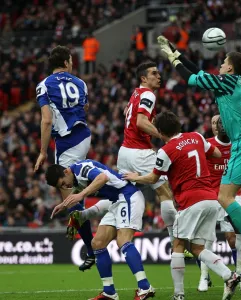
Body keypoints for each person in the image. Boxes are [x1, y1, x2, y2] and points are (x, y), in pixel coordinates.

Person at [157, 36, 241, 272]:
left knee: (224, 197)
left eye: (224, 62)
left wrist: (173, 62)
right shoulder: (232, 82)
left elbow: (194, 79)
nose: (221, 65)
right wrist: (178, 54)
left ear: (231, 67)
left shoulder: (227, 81)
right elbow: (201, 72)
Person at [124, 111, 241, 300]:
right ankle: (230, 276)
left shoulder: (165, 151)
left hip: (191, 200)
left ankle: (178, 295)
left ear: (160, 131)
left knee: (177, 245)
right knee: (198, 248)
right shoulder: (197, 137)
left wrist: (135, 177)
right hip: (211, 199)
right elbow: (218, 154)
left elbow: (154, 178)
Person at [34, 45, 110, 271]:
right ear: (66, 62)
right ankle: (82, 216)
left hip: (67, 141)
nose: (73, 63)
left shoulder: (44, 85)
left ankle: (91, 247)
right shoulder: (81, 82)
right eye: (71, 60)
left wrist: (42, 151)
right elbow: (83, 106)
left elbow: (46, 120)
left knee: (70, 197)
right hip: (83, 135)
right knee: (74, 192)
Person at [47, 160, 155, 300]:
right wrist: (64, 203)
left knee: (123, 241)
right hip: (115, 201)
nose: (65, 186)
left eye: (63, 183)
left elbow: (102, 177)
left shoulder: (82, 168)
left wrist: (80, 196)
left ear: (66, 172)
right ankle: (109, 292)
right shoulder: (75, 178)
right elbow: (80, 189)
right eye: (61, 187)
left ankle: (145, 287)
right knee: (97, 243)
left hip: (128, 196)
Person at [117, 61, 192, 259]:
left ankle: (118, 238)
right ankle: (176, 241)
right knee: (165, 191)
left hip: (124, 151)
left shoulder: (135, 94)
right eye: (154, 73)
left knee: (126, 195)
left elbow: (130, 118)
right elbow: (141, 122)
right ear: (144, 78)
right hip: (138, 153)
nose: (159, 77)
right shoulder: (148, 94)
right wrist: (163, 136)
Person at [197, 114, 241, 292]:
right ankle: (204, 276)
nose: (219, 126)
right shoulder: (208, 144)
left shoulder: (238, 144)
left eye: (221, 122)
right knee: (208, 237)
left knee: (236, 236)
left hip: (235, 194)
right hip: (212, 195)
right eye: (216, 123)